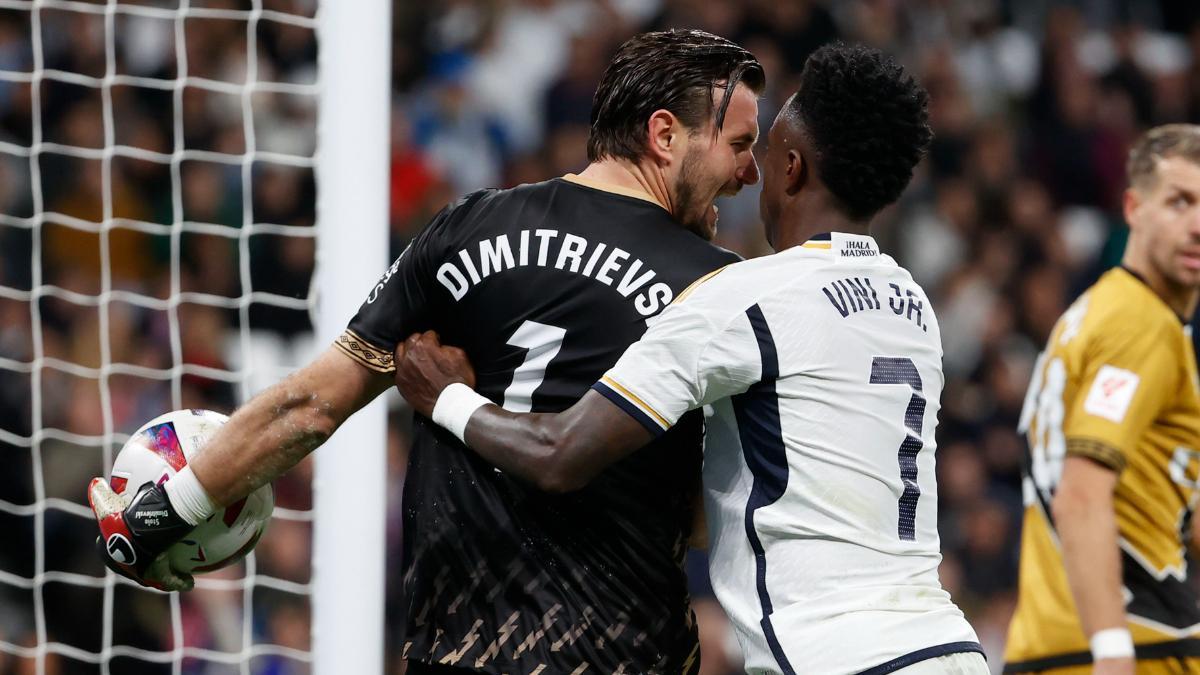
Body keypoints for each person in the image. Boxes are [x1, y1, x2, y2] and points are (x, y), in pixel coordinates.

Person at [89, 29, 763, 674]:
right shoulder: (718, 286)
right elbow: (710, 517)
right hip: (623, 651)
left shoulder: (468, 227)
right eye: (740, 144)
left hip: (460, 652)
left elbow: (309, 407)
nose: (749, 172)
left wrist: (164, 511)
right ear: (665, 134)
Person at [392, 43, 987, 675]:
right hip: (946, 642)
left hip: (834, 656)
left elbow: (559, 454)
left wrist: (446, 397)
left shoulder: (746, 296)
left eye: (760, 153)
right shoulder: (911, 306)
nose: (748, 174)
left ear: (791, 169)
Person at [1004, 125, 1200, 675]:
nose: (1198, 225)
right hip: (1134, 645)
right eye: (1180, 202)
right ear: (1134, 207)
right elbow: (1082, 495)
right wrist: (1112, 650)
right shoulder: (1142, 325)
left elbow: (1164, 504)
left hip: (1052, 642)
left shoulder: (1094, 311)